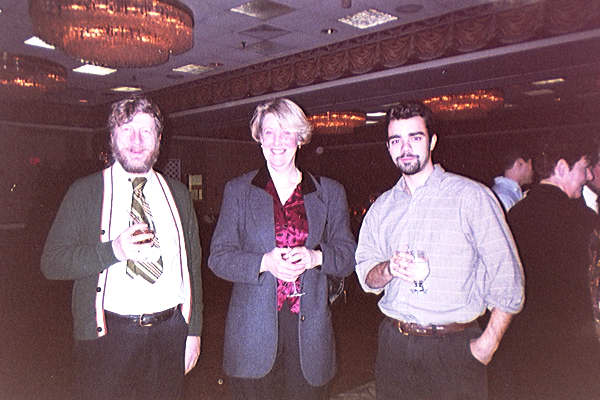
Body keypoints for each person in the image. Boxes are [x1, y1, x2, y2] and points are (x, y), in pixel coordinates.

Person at [354, 101, 524, 400]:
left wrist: (488, 344)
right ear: (388, 147)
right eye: (396, 140)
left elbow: (507, 276)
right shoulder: (382, 208)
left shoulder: (471, 197)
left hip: (454, 348)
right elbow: (367, 277)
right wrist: (389, 269)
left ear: (432, 141)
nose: (405, 148)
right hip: (395, 348)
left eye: (415, 137)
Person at [41, 95, 203, 400]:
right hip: (109, 337)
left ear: (159, 139)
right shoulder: (85, 191)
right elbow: (52, 263)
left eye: (145, 131)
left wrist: (193, 331)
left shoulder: (179, 194)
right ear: (113, 137)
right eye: (127, 130)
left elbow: (192, 268)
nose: (137, 141)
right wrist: (113, 251)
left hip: (170, 334)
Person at [208, 98, 356, 400]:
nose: (277, 142)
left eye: (286, 132)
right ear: (259, 139)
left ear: (299, 138)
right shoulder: (238, 191)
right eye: (269, 133)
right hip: (252, 335)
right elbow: (218, 258)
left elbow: (348, 257)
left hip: (310, 336)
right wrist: (264, 262)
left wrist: (316, 257)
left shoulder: (329, 192)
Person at [503, 136, 600, 399]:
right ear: (561, 167)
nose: (589, 175)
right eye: (584, 168)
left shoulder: (514, 215)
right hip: (573, 348)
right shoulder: (584, 221)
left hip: (525, 345)